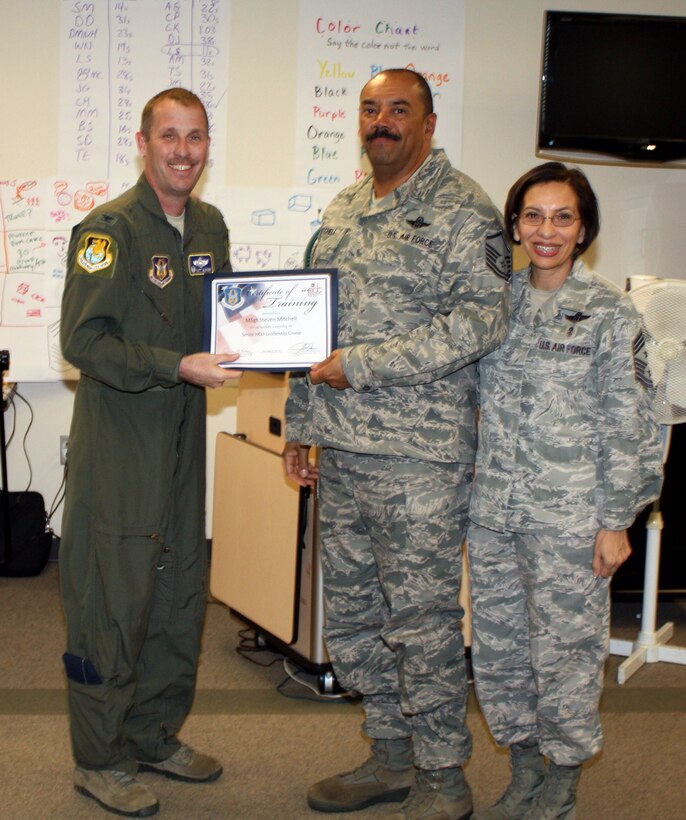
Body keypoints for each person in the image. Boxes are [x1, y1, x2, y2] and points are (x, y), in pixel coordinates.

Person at [284, 68, 511, 820]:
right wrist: (300, 422)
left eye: (399, 110)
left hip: (419, 460)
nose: (382, 121)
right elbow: (312, 324)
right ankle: (389, 755)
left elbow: (480, 322)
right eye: (371, 109)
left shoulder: (463, 209)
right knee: (353, 616)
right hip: (343, 451)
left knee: (420, 621)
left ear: (429, 121)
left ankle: (444, 777)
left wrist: (365, 366)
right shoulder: (347, 205)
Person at [59, 88, 241, 818]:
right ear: (144, 142)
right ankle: (99, 759)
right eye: (170, 136)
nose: (184, 152)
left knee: (176, 593)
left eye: (196, 137)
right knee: (113, 598)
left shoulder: (210, 226)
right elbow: (81, 342)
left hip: (182, 442)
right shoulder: (108, 231)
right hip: (123, 442)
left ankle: (154, 735)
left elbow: (227, 317)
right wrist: (174, 366)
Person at [467, 162, 663, 820]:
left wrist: (616, 522)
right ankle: (524, 765)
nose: (546, 230)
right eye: (532, 216)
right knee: (500, 648)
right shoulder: (498, 304)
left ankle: (564, 775)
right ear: (515, 225)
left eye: (562, 217)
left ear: (584, 228)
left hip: (570, 520)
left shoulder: (610, 313)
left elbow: (632, 423)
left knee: (567, 653)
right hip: (494, 513)